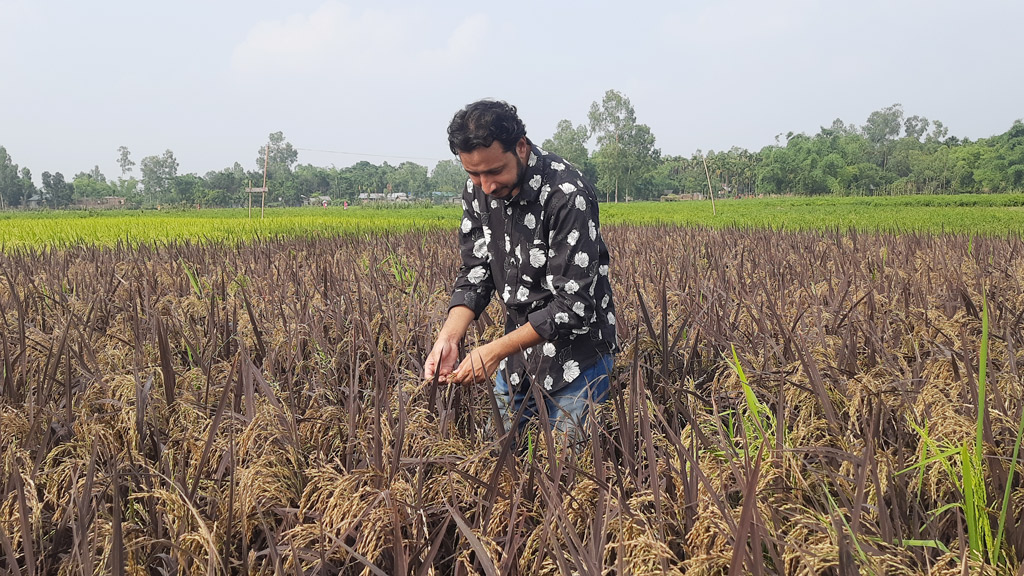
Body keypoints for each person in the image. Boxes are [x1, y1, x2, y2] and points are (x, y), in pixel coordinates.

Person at [423, 100, 617, 439]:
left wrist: (494, 350)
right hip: (518, 362)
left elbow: (573, 307)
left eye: (495, 171)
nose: (486, 186)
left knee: (569, 471)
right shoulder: (478, 191)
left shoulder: (567, 195)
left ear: (521, 147)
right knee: (495, 454)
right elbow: (476, 271)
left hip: (577, 364)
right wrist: (449, 338)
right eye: (473, 173)